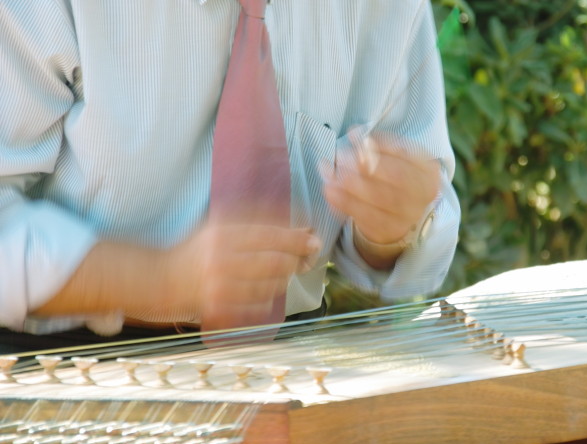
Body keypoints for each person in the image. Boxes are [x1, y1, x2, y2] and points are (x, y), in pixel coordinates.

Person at [0, 0, 460, 352]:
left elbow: (422, 227)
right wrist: (154, 276)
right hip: (66, 367)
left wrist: (392, 227)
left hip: (294, 367)